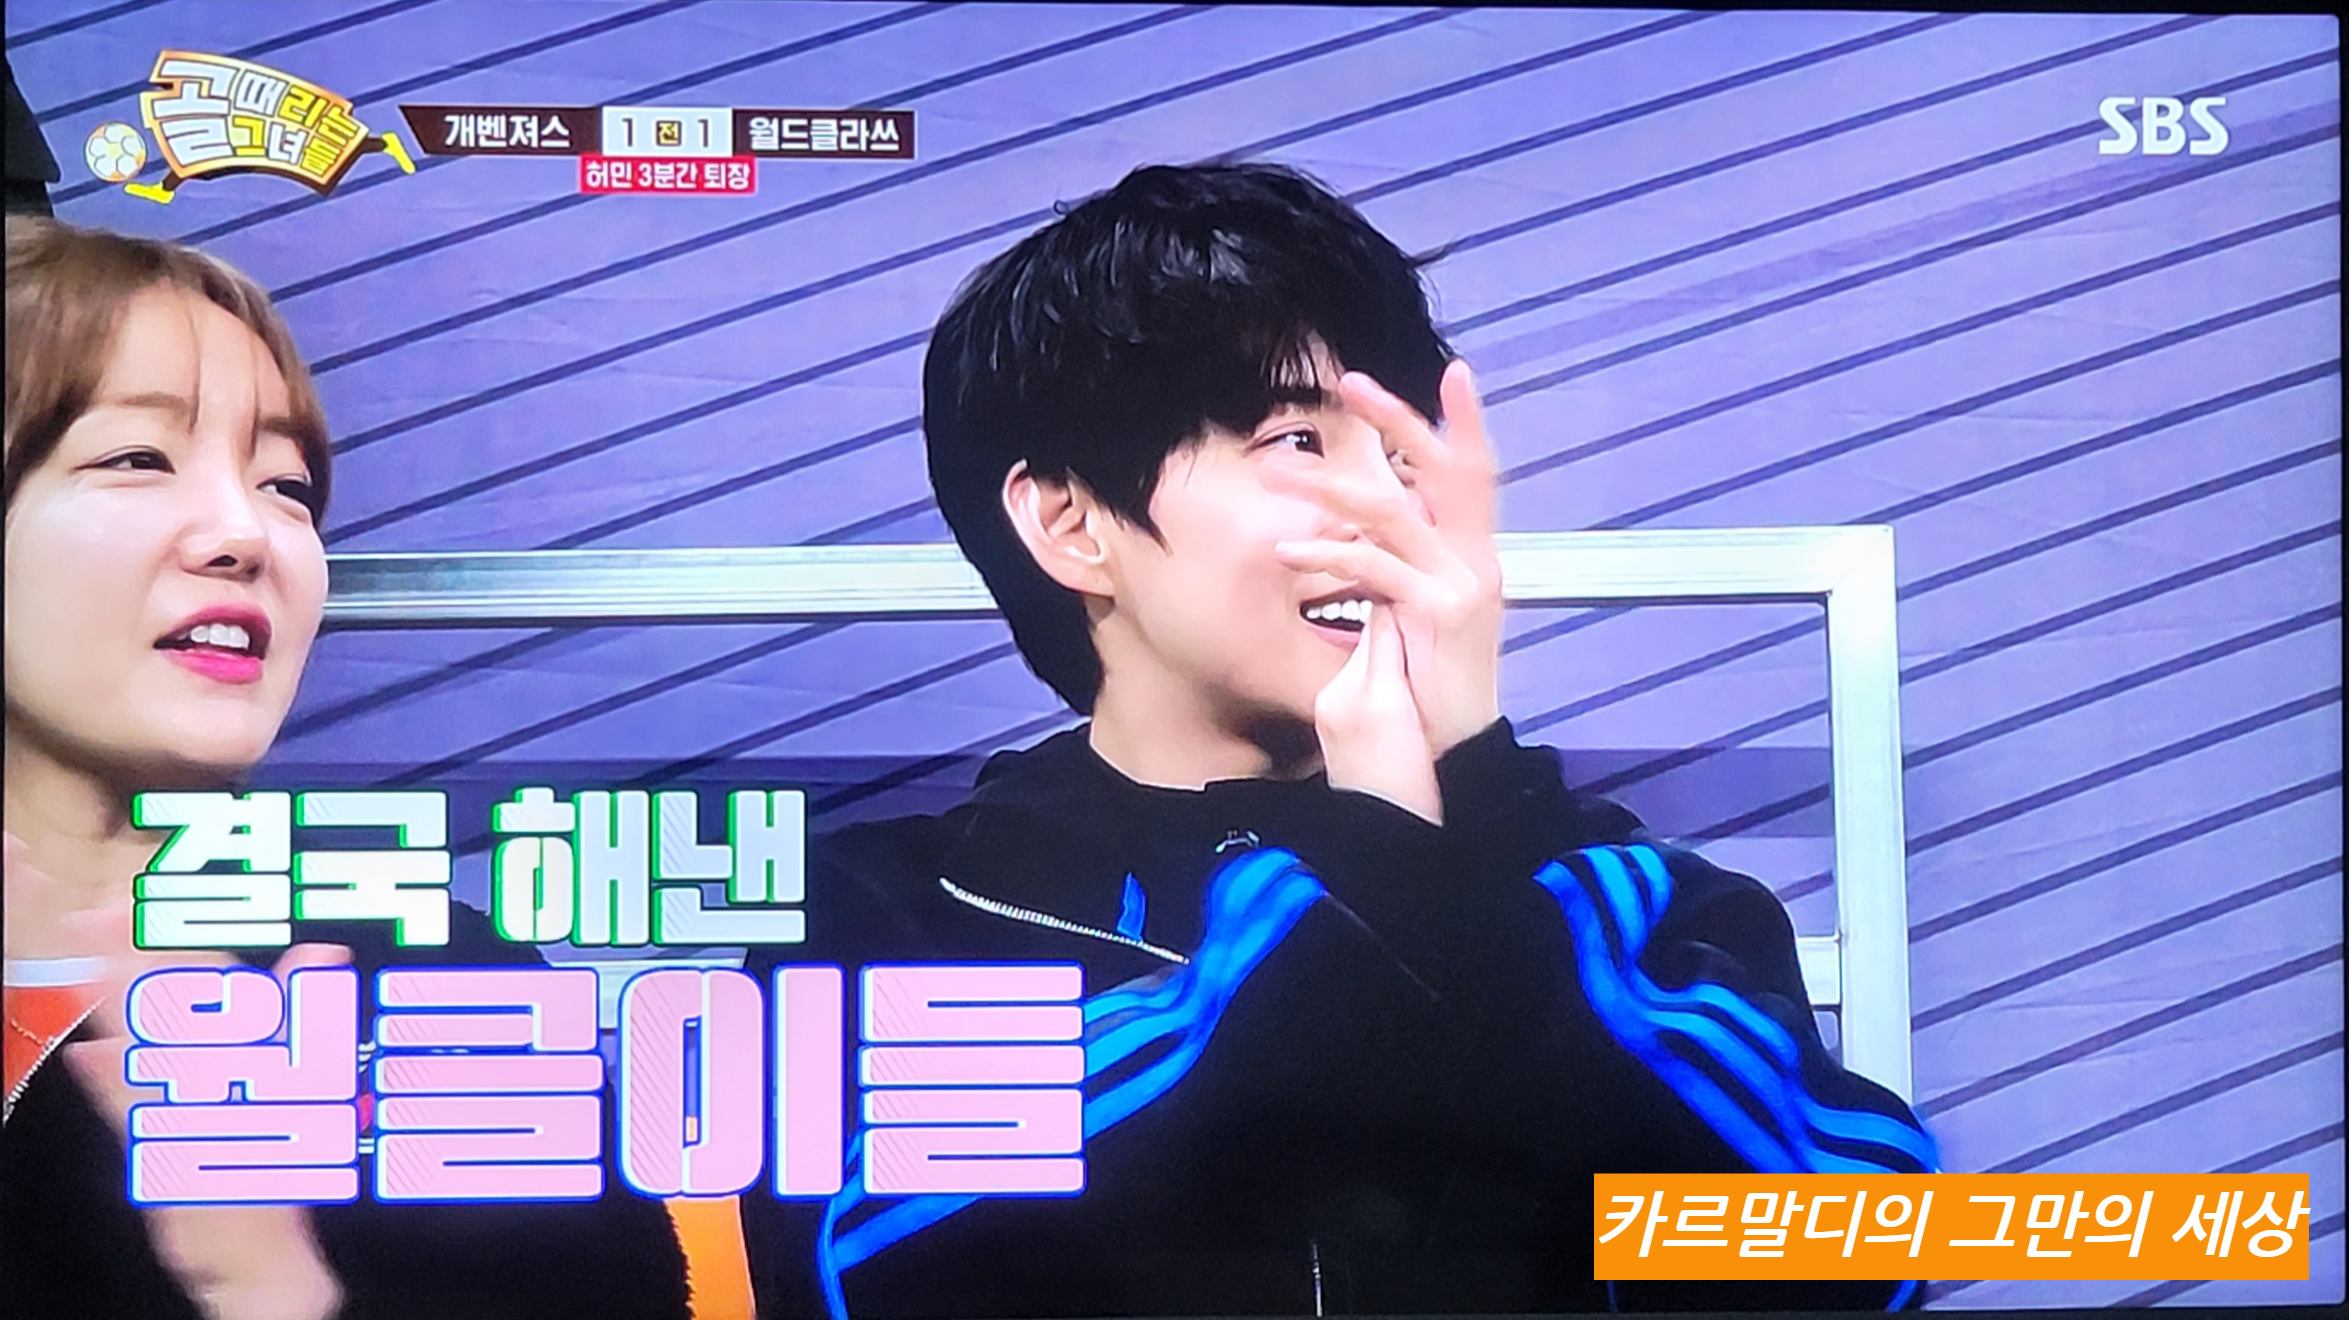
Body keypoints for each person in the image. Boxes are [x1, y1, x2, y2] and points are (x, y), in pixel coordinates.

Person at [742, 164, 1937, 1318]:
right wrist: (1369, 878)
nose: (1388, 514)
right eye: (1299, 443)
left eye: (1403, 457)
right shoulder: (886, 915)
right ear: (1071, 522)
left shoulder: (1628, 899)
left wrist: (1475, 833)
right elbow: (864, 1259)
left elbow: (1865, 1244)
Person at [0, 216, 693, 1320]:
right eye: (137, 458)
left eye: (285, 486)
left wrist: (268, 1286)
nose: (245, 535)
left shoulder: (437, 980)